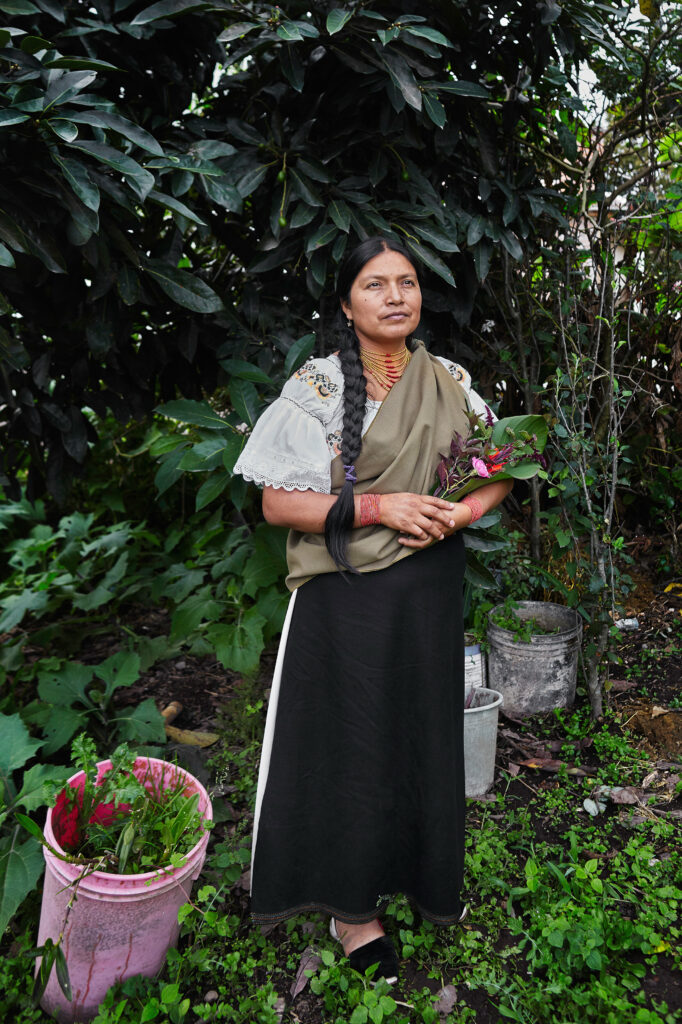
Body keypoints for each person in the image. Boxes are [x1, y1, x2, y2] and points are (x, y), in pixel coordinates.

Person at [233, 236, 512, 982]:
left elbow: (501, 471)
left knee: (415, 739)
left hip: (427, 596)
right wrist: (380, 505)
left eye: (408, 282)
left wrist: (458, 517)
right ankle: (353, 914)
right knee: (350, 750)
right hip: (345, 601)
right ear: (348, 303)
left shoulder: (450, 379)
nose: (396, 296)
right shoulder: (319, 388)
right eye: (375, 284)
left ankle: (416, 876)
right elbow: (277, 502)